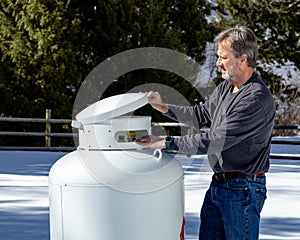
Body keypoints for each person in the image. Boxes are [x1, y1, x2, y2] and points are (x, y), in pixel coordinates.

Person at [135, 26, 275, 240]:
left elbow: (216, 139)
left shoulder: (254, 99)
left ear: (243, 59)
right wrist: (164, 107)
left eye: (224, 57)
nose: (218, 63)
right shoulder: (226, 88)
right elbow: (201, 115)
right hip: (219, 185)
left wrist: (166, 143)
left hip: (242, 190)